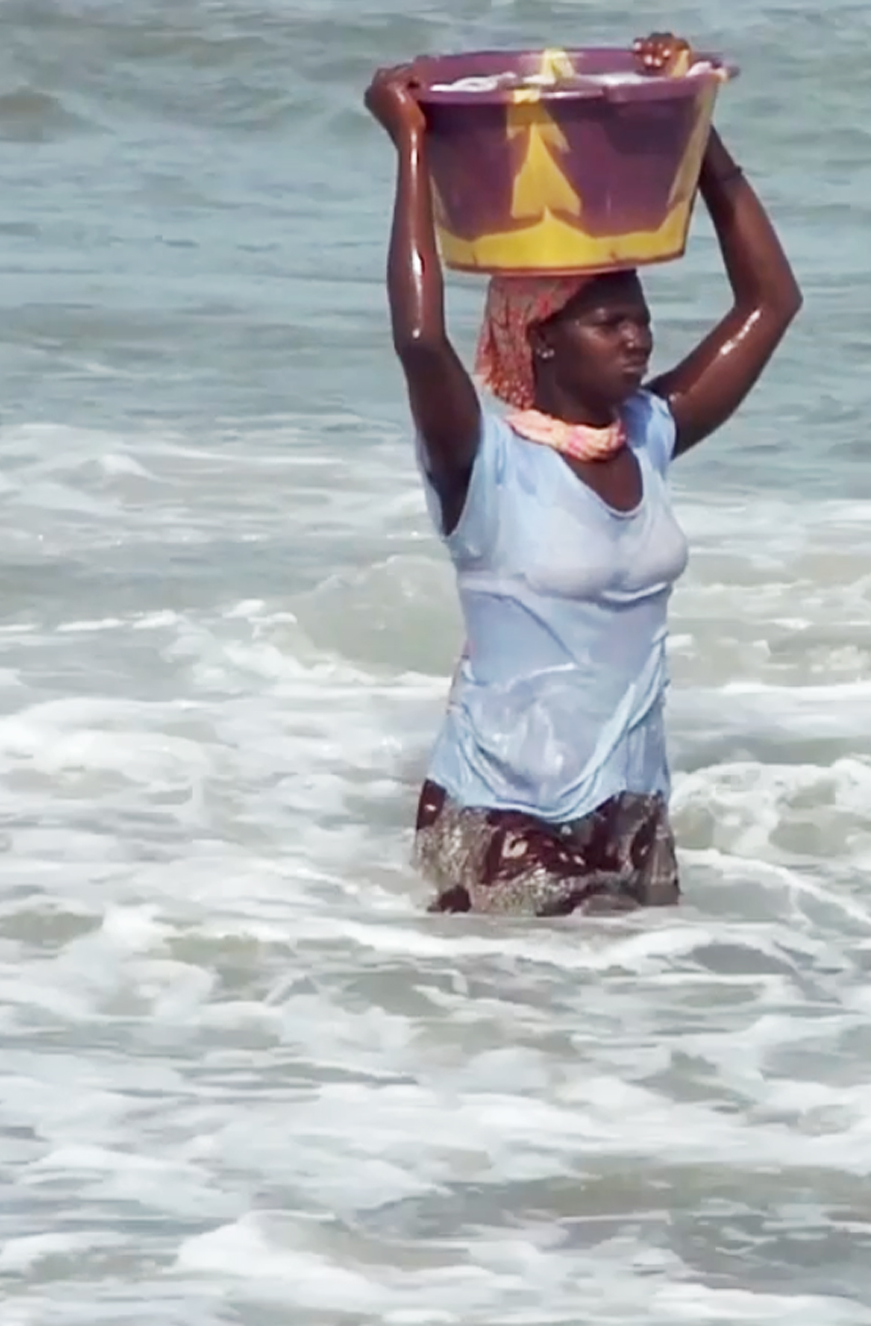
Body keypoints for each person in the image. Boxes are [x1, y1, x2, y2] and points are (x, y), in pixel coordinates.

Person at [363, 35, 801, 917]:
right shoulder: (481, 462)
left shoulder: (650, 435)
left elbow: (770, 302)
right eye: (609, 323)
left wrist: (697, 134)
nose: (638, 338)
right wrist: (410, 146)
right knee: (543, 1014)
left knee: (632, 1026)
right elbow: (420, 341)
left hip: (631, 806)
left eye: (639, 319)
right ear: (543, 338)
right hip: (500, 809)